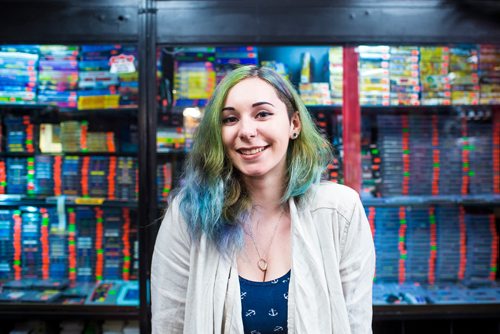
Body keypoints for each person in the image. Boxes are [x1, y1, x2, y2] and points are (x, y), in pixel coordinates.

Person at [151, 65, 375, 333]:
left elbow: (356, 323)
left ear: (294, 124)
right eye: (230, 119)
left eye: (263, 114)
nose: (246, 131)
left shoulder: (339, 211)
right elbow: (168, 324)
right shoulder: (187, 215)